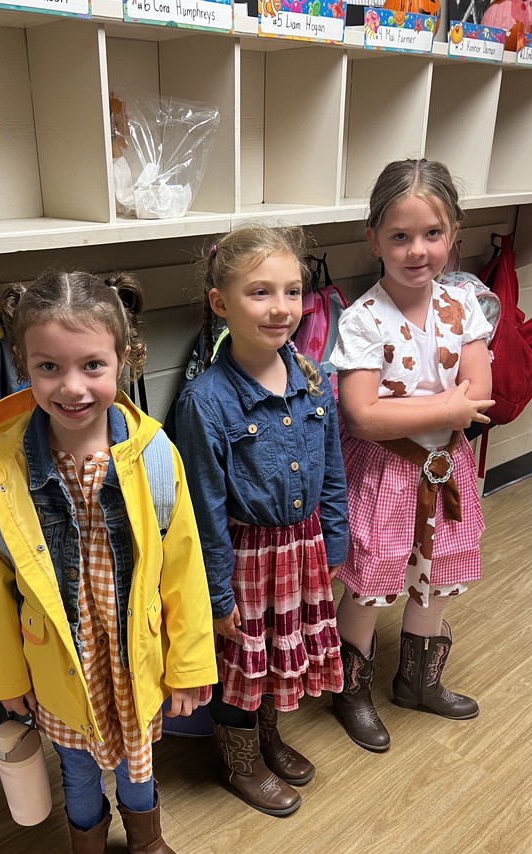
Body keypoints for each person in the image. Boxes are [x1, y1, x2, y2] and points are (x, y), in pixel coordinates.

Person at [0, 270, 216, 854]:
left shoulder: (154, 456)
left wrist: (190, 663)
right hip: (60, 663)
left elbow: (184, 567)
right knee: (77, 767)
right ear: (24, 363)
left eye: (92, 365)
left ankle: (145, 842)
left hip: (134, 655)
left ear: (125, 357)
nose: (71, 387)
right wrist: (8, 679)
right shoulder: (1, 468)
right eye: (49, 367)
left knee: (138, 760)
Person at [175, 226, 349, 817]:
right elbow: (204, 511)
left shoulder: (312, 377)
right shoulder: (205, 401)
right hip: (244, 558)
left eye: (293, 291)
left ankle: (267, 735)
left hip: (301, 550)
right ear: (220, 303)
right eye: (260, 293)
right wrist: (218, 596)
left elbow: (331, 470)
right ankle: (239, 758)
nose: (281, 309)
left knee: (279, 653)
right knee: (242, 665)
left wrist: (335, 541)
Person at [329, 158, 495, 752]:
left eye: (432, 234)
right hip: (385, 473)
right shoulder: (362, 320)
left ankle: (418, 682)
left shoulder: (463, 306)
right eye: (399, 236)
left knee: (437, 577)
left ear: (454, 235)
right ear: (374, 238)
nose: (416, 250)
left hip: (445, 469)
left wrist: (449, 411)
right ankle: (351, 691)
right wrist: (446, 411)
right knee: (372, 582)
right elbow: (365, 416)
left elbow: (480, 388)